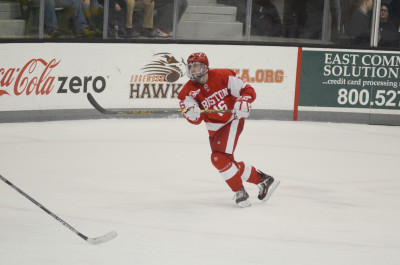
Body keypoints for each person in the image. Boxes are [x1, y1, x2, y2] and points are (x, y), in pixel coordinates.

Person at [178, 52, 280, 208]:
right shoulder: (186, 92)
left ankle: (240, 192)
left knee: (218, 159)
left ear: (205, 66)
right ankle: (263, 180)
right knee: (227, 162)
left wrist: (244, 100)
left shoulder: (223, 75)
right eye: (190, 67)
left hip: (232, 120)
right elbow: (197, 120)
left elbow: (248, 90)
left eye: (196, 66)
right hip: (213, 129)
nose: (193, 70)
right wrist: (191, 114)